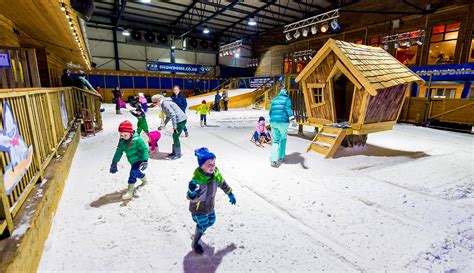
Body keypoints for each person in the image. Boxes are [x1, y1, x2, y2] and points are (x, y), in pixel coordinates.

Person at [187, 147, 236, 254]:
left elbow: (223, 183)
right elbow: (190, 197)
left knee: (212, 221)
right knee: (203, 225)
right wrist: (192, 192)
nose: (212, 166)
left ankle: (199, 227)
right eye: (209, 164)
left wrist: (230, 193)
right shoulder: (197, 180)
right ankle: (195, 242)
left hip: (210, 206)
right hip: (198, 209)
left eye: (213, 163)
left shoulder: (216, 175)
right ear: (201, 166)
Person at [110, 121, 149, 200]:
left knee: (132, 173)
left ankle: (130, 191)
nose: (123, 136)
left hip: (139, 160)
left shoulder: (138, 140)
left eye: (125, 135)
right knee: (137, 173)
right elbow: (118, 152)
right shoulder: (122, 141)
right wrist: (114, 162)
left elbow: (145, 150)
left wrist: (145, 160)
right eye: (121, 135)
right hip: (132, 161)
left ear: (130, 132)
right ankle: (145, 181)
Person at [151, 94, 187, 160]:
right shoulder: (163, 104)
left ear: (159, 100)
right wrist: (164, 124)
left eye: (155, 102)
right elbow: (168, 116)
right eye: (153, 103)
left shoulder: (165, 104)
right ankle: (175, 152)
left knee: (175, 136)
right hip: (178, 120)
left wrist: (174, 126)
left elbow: (173, 115)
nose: (154, 104)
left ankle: (178, 154)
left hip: (180, 120)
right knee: (175, 136)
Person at [269, 88, 297, 167]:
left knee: (275, 141)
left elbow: (270, 112)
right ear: (286, 93)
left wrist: (273, 119)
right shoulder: (287, 99)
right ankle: (281, 157)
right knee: (283, 139)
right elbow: (288, 109)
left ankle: (273, 160)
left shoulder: (274, 100)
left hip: (273, 122)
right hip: (283, 122)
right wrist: (292, 119)